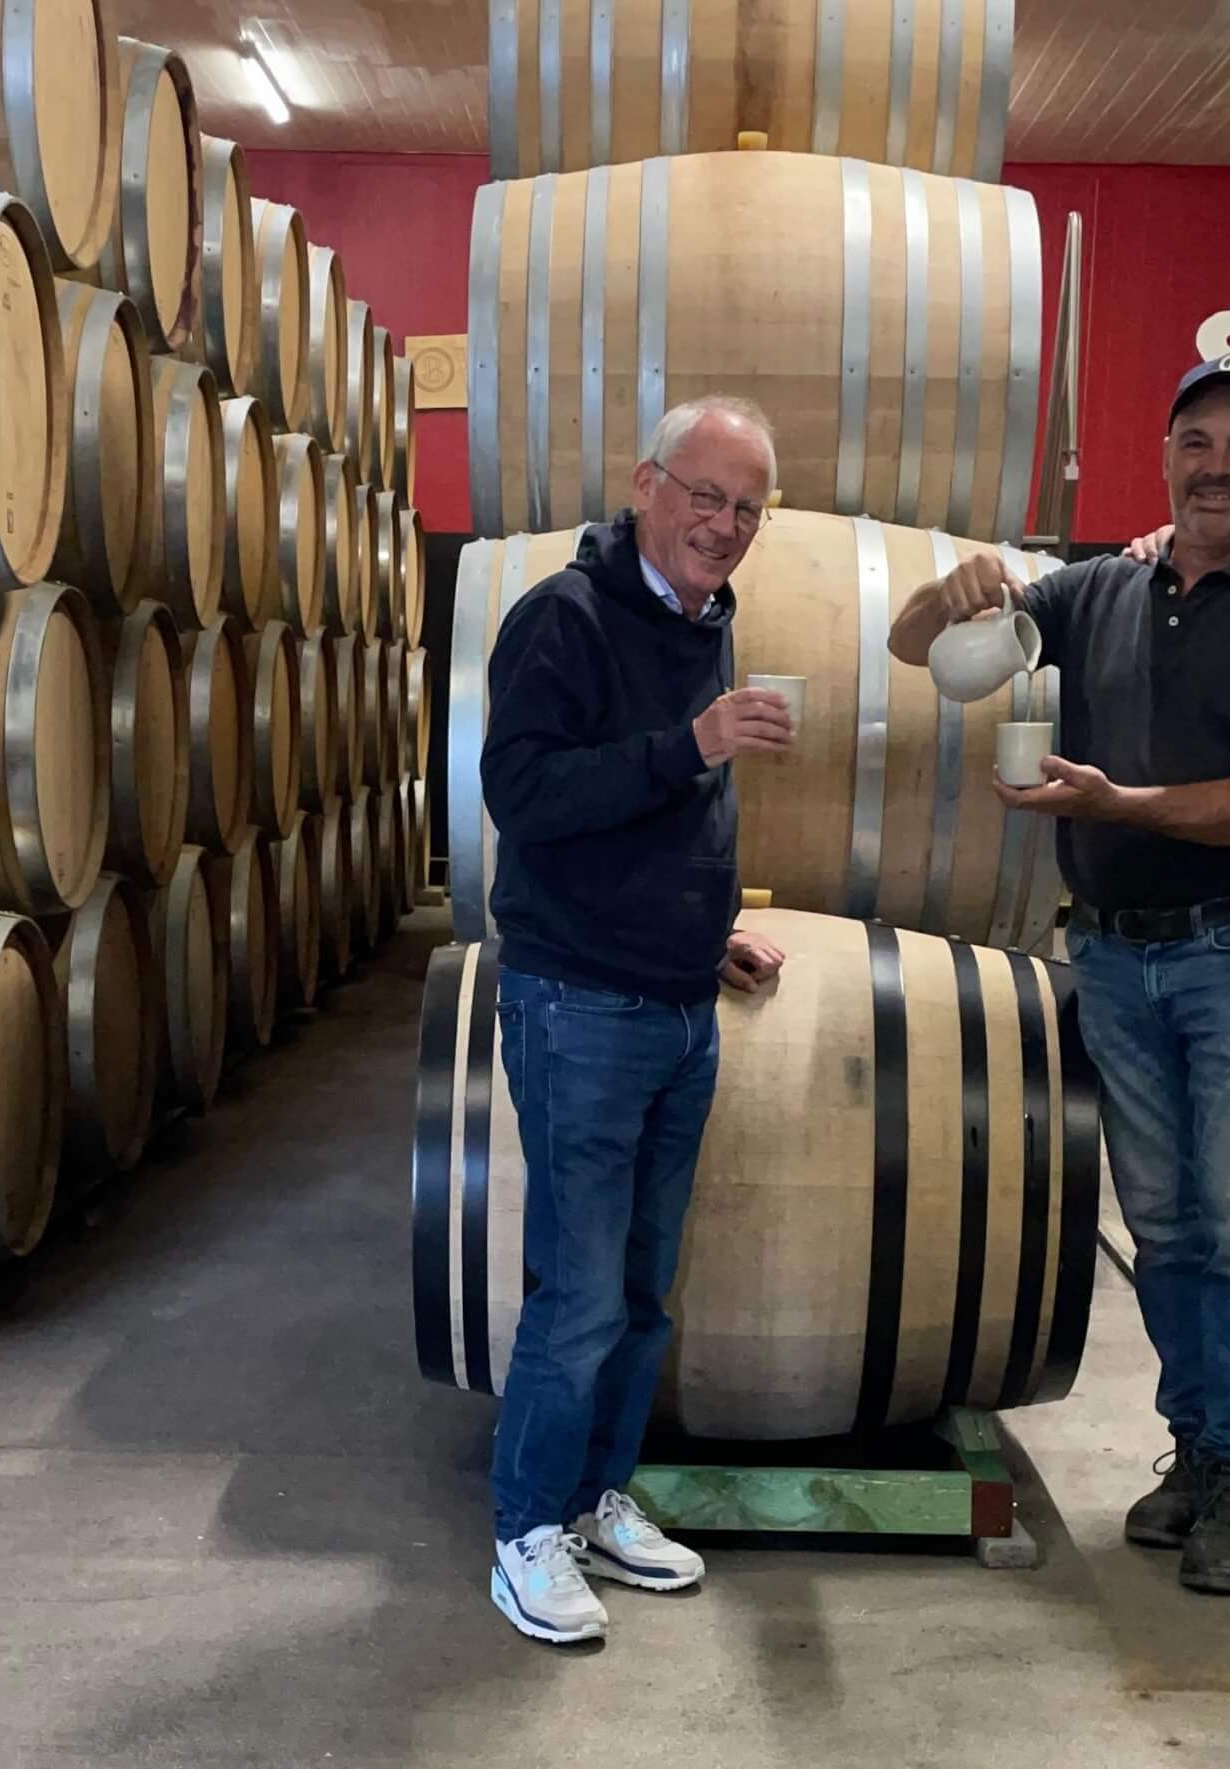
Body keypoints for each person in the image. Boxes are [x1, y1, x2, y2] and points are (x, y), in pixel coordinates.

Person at [888, 354, 1230, 1596]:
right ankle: (1195, 1444)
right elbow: (908, 643)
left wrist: (1118, 801)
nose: (1219, 465)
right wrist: (953, 584)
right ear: (1162, 457)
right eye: (1196, 440)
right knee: (1161, 1226)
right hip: (1109, 951)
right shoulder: (1097, 586)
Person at [478, 395, 794, 1645]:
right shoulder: (562, 617)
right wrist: (689, 744)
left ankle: (595, 1497)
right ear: (645, 484)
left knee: (645, 1291)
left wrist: (702, 935)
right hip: (580, 1005)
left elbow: (665, 818)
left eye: (747, 507)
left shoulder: (706, 620)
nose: (725, 524)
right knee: (580, 1297)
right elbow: (523, 793)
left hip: (673, 1002)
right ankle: (524, 1530)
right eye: (705, 495)